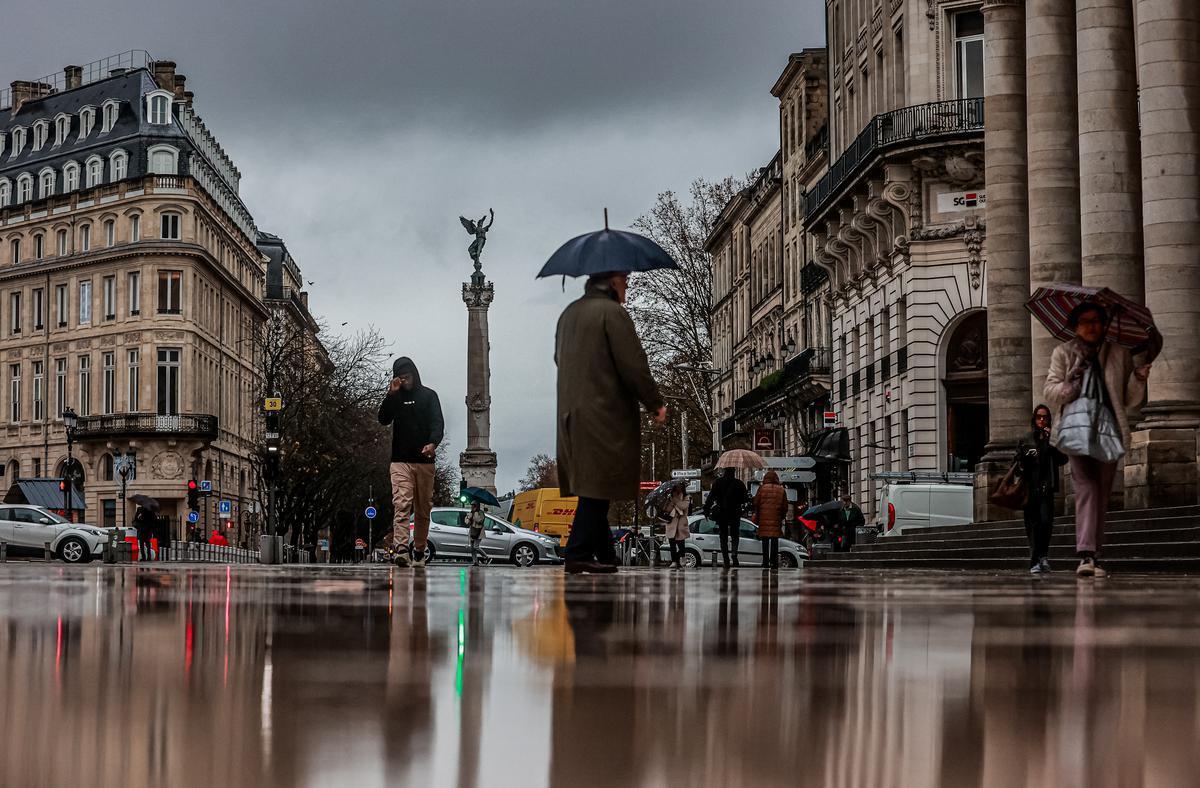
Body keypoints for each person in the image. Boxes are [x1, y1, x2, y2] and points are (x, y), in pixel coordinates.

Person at [556, 271, 667, 574]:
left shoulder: (568, 315)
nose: (628, 285)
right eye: (626, 279)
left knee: (595, 484)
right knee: (599, 483)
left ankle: (605, 554)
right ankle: (577, 552)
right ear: (613, 281)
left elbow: (559, 358)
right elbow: (633, 362)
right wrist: (654, 401)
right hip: (602, 413)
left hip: (570, 414)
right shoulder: (612, 313)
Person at [1045, 302, 1150, 578]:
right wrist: (1070, 380)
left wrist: (1138, 379)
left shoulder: (1118, 353)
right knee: (1086, 486)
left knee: (1101, 492)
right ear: (1076, 326)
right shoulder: (1064, 353)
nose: (1091, 326)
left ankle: (1093, 554)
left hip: (1108, 429)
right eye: (1085, 321)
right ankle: (1086, 554)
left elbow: (1127, 400)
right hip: (1076, 427)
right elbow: (1051, 392)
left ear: (1104, 324)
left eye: (1095, 321)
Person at [378, 357, 445, 569]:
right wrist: (391, 394)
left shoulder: (429, 396)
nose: (405, 381)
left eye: (408, 377)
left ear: (415, 375)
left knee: (423, 508)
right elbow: (383, 418)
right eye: (401, 377)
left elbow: (437, 423)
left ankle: (419, 549)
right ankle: (401, 549)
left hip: (424, 461)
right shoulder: (395, 398)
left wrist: (433, 443)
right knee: (401, 503)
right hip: (399, 461)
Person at [1017, 404, 1068, 574]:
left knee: (1046, 523)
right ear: (1034, 419)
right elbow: (1017, 465)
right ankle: (1036, 560)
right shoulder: (1026, 439)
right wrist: (1024, 459)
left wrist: (1051, 442)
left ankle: (1043, 556)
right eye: (1039, 417)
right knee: (1033, 525)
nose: (1041, 420)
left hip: (1047, 489)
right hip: (1030, 490)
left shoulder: (1052, 439)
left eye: (1044, 417)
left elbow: (1063, 460)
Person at [705, 467, 749, 568]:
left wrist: (707, 509)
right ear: (734, 472)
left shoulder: (718, 482)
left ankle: (726, 560)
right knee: (735, 535)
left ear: (724, 471)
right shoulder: (739, 483)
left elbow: (711, 497)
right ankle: (734, 553)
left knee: (723, 537)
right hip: (735, 512)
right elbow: (744, 499)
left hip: (722, 513)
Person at [752, 471, 789, 569]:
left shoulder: (762, 488)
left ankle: (765, 562)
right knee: (774, 541)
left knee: (765, 541)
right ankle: (774, 562)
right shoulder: (781, 490)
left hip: (763, 519)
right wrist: (781, 516)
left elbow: (756, 502)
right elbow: (785, 506)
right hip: (776, 519)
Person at [664, 482, 691, 569]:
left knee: (681, 543)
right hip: (671, 523)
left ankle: (682, 558)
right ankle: (674, 561)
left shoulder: (686, 497)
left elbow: (683, 506)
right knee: (672, 544)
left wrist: (675, 499)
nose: (678, 489)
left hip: (680, 523)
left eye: (680, 487)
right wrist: (671, 502)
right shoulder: (669, 498)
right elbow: (666, 509)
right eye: (677, 487)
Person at [466, 502, 487, 566]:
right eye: (471, 506)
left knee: (476, 546)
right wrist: (468, 518)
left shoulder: (480, 513)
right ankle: (475, 562)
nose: (471, 507)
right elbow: (467, 522)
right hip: (472, 531)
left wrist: (475, 514)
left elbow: (480, 521)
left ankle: (485, 556)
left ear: (476, 506)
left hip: (479, 532)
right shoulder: (471, 513)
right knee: (472, 548)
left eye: (473, 506)